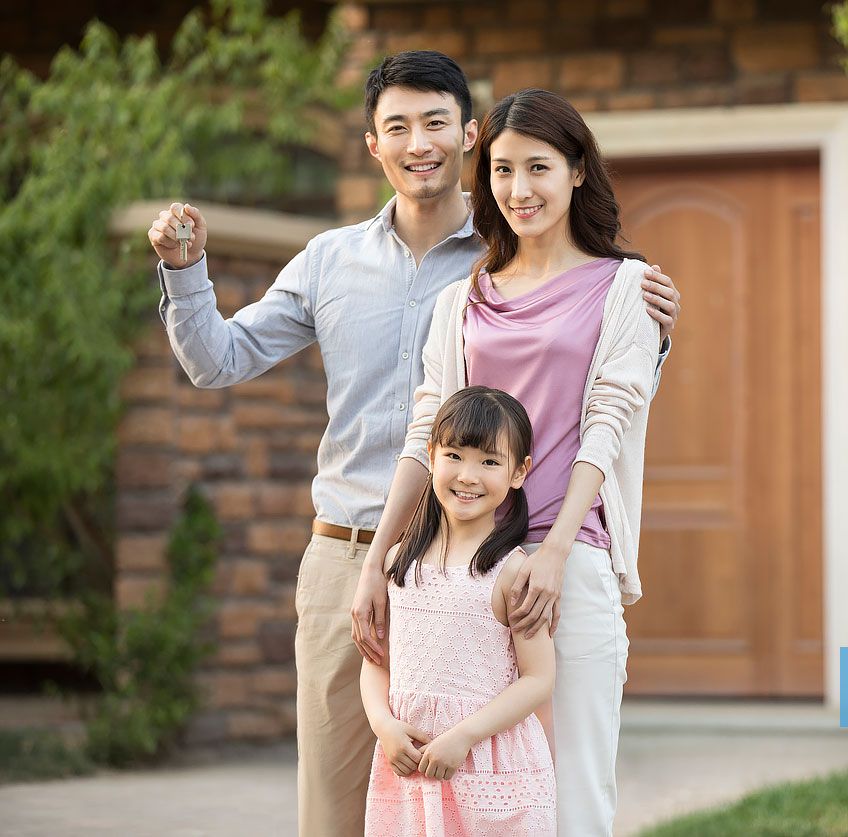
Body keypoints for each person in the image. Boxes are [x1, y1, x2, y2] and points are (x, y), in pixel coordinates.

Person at [146, 51, 680, 837]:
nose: (418, 141)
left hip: (495, 560)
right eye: (396, 125)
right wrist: (185, 272)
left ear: (466, 137)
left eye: (436, 122)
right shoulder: (356, 265)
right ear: (372, 144)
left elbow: (605, 391)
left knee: (513, 798)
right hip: (362, 559)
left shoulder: (519, 260)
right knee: (345, 807)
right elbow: (220, 360)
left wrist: (652, 334)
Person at [362, 87, 659, 835]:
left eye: (538, 167)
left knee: (576, 793)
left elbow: (609, 418)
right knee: (469, 799)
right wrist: (376, 559)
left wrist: (554, 550)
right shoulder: (463, 298)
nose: (518, 190)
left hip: (569, 561)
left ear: (577, 171)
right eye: (500, 169)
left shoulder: (624, 285)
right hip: (461, 566)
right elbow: (426, 428)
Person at [361, 386, 556, 836]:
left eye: (490, 462)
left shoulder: (513, 573)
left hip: (491, 768)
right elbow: (375, 664)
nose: (468, 475)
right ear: (430, 456)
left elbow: (538, 679)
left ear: (519, 472)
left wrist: (465, 736)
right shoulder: (398, 564)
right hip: (411, 767)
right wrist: (384, 725)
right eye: (454, 455)